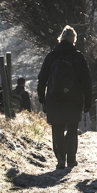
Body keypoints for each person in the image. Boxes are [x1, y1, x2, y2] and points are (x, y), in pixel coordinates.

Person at [37, 25, 92, 170]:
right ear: (73, 39)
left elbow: (42, 77)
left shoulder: (51, 56)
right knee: (72, 128)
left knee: (57, 128)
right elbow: (86, 79)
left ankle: (60, 158)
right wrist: (88, 100)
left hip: (54, 98)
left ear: (60, 38)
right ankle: (71, 159)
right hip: (74, 98)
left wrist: (41, 96)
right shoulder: (78, 56)